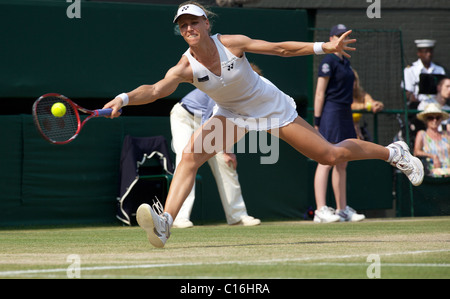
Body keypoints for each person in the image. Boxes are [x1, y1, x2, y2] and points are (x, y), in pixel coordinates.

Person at [103, 2, 424, 248]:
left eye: (193, 21)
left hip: (271, 108)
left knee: (329, 155)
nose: (188, 27)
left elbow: (280, 49)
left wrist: (324, 47)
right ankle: (166, 223)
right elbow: (157, 90)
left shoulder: (231, 43)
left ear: (206, 22)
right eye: (183, 25)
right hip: (231, 114)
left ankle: (393, 152)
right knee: (190, 155)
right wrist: (124, 98)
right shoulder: (185, 66)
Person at [170, 87, 261, 228]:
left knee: (226, 163)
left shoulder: (243, 95)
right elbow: (209, 118)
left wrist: (227, 150)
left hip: (209, 123)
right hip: (185, 117)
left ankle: (237, 216)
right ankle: (179, 216)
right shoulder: (224, 86)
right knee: (185, 160)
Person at [313, 25, 366, 223]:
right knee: (325, 160)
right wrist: (317, 122)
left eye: (345, 36)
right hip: (331, 113)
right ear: (331, 38)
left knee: (342, 161)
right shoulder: (328, 61)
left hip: (345, 112)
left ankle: (341, 209)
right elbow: (320, 93)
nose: (342, 39)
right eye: (338, 36)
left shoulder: (346, 64)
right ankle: (320, 210)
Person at [403, 39, 446, 106]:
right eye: (425, 52)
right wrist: (411, 97)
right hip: (417, 105)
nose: (429, 54)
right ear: (419, 53)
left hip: (436, 105)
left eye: (430, 52)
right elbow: (407, 92)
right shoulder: (410, 70)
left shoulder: (439, 70)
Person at [414, 103, 450, 177]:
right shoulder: (422, 134)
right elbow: (416, 152)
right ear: (426, 120)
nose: (434, 120)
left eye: (437, 118)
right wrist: (432, 156)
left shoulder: (447, 134)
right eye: (431, 118)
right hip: (431, 172)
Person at [351, 69, 384, 140]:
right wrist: (363, 106)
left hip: (356, 135)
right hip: (339, 133)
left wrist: (377, 105)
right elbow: (349, 106)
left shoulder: (360, 94)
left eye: (354, 79)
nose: (352, 82)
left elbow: (370, 102)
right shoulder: (338, 96)